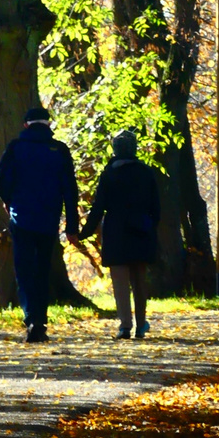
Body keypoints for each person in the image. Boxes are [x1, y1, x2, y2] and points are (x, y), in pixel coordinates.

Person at [0, 105, 81, 343]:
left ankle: (31, 317)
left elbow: (0, 177)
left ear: (26, 125)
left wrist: (8, 200)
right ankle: (40, 322)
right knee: (42, 269)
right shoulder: (60, 150)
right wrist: (72, 226)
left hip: (21, 217)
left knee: (24, 270)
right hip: (48, 218)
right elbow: (70, 190)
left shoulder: (15, 148)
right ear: (48, 124)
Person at [79, 130, 161, 340]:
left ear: (115, 149)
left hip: (116, 231)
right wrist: (151, 227)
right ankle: (141, 324)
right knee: (139, 280)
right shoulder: (146, 172)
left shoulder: (109, 174)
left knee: (121, 281)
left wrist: (83, 233)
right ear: (134, 149)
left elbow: (98, 207)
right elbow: (156, 206)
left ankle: (125, 325)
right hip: (141, 229)